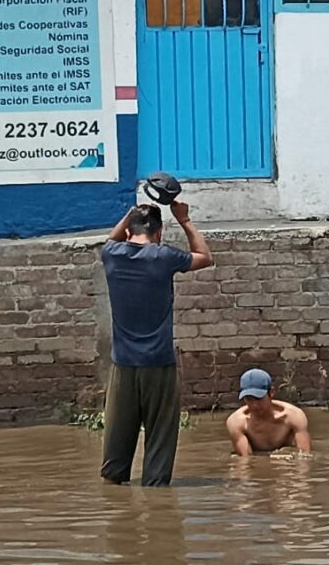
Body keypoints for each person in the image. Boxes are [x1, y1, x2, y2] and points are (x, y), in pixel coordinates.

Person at [100, 197, 213, 486]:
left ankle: (115, 498)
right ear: (159, 233)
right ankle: (156, 496)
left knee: (114, 458)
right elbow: (204, 257)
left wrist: (132, 212)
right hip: (158, 364)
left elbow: (113, 238)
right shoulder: (163, 257)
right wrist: (184, 219)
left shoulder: (111, 254)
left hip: (123, 366)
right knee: (160, 443)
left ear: (128, 231)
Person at [226, 369, 312, 456]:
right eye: (249, 399)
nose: (254, 405)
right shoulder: (237, 423)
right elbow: (247, 460)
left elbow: (305, 456)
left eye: (259, 398)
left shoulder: (294, 416)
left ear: (271, 392)